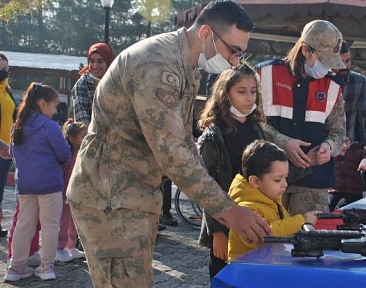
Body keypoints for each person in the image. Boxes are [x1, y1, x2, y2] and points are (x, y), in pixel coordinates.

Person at [66, 2, 272, 287]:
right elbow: (172, 151)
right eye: (233, 51)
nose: (236, 62)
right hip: (111, 196)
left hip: (130, 194)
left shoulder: (183, 63)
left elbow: (183, 143)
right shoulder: (158, 64)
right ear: (205, 34)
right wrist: (227, 211)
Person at [257, 19, 346, 215]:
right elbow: (252, 122)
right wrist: (283, 143)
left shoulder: (333, 87)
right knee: (265, 243)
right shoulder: (264, 74)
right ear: (306, 50)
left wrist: (328, 148)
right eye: (324, 61)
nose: (327, 69)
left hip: (313, 184)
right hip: (267, 180)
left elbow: (339, 133)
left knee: (311, 243)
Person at [196, 64, 266, 278]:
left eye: (253, 91)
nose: (249, 98)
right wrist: (216, 232)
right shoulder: (213, 135)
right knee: (225, 277)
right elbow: (207, 186)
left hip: (254, 219)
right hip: (225, 221)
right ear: (225, 95)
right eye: (241, 91)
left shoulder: (256, 128)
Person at [5, 83, 71, 281]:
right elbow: (64, 154)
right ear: (42, 104)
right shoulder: (50, 126)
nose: (54, 110)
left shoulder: (18, 125)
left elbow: (12, 153)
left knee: (23, 225)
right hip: (49, 184)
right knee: (50, 225)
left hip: (25, 184)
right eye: (53, 106)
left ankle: (16, 267)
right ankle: (46, 266)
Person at [227, 140, 320, 261]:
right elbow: (264, 236)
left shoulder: (272, 200)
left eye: (285, 178)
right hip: (246, 274)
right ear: (255, 182)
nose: (285, 184)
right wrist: (301, 222)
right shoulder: (246, 209)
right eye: (278, 180)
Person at [334, 41, 366, 156]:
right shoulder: (321, 80)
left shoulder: (359, 81)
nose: (344, 66)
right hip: (324, 144)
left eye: (347, 61)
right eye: (340, 62)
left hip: (348, 145)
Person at [56, 119, 88, 262]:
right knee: (63, 221)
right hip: (64, 195)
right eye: (83, 136)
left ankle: (71, 246)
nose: (86, 139)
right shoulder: (67, 156)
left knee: (74, 221)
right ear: (72, 138)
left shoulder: (81, 154)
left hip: (76, 195)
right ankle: (59, 249)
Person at [328, 137, 366, 211]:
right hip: (334, 191)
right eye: (340, 142)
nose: (344, 145)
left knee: (339, 209)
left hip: (352, 192)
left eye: (346, 142)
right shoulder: (331, 153)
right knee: (326, 209)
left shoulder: (358, 152)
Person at [71, 42, 115, 125]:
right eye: (92, 61)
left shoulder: (116, 82)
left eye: (100, 61)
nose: (95, 66)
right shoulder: (83, 84)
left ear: (109, 62)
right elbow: (81, 120)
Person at [0, 53, 16, 237]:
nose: (3, 73)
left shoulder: (7, 90)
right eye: (0, 70)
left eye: (5, 70)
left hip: (6, 150)